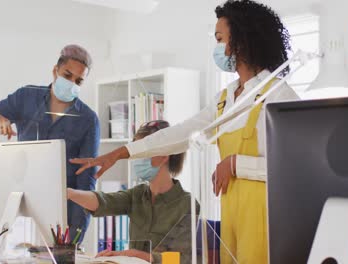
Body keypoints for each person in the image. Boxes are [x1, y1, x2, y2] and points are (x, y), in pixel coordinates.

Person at [71, 1, 299, 263]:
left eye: (219, 39)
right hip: (232, 211)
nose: (216, 48)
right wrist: (120, 153)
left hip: (263, 215)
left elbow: (293, 170)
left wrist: (236, 164)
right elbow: (179, 134)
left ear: (241, 41)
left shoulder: (277, 94)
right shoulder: (225, 98)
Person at [0, 44, 100, 243]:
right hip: (22, 205)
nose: (72, 83)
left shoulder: (88, 119)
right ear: (55, 71)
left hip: (61, 214)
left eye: (79, 81)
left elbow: (86, 183)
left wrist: (73, 240)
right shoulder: (26, 97)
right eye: (67, 75)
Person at [67, 120, 199, 263]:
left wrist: (134, 255)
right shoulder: (137, 194)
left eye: (142, 152)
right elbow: (103, 201)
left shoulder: (188, 204)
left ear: (164, 154)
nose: (136, 160)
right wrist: (69, 193)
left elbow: (184, 259)